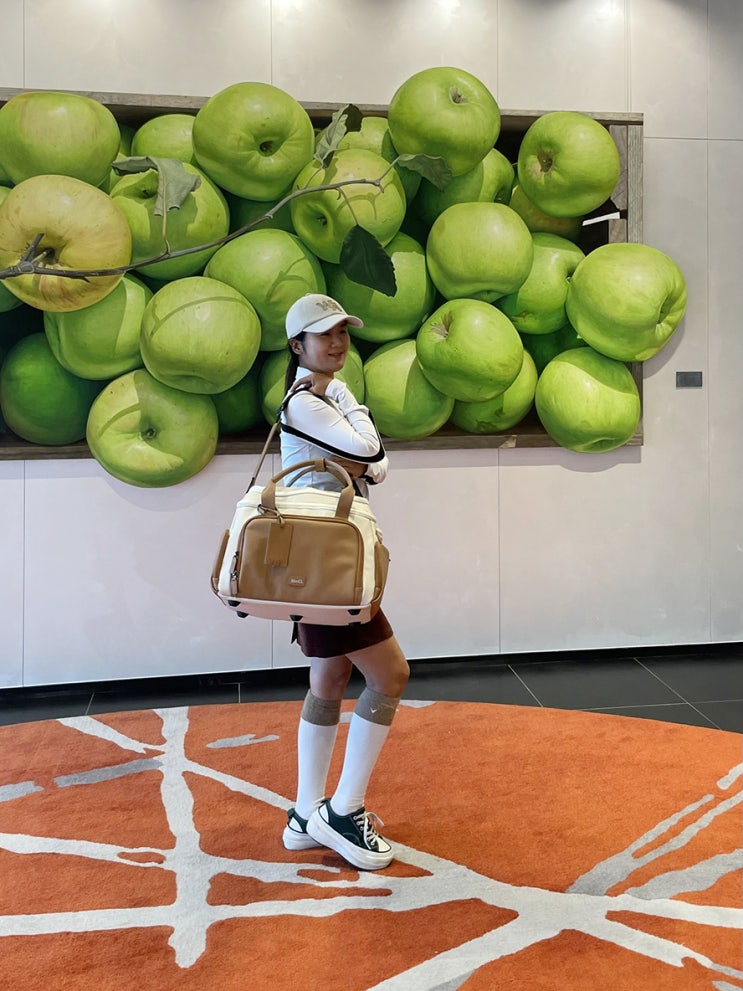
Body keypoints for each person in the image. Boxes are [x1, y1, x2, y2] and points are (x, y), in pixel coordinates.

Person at [279, 293, 409, 871]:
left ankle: (307, 811)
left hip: (319, 559)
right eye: (323, 334)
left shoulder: (327, 396)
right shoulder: (309, 401)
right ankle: (343, 810)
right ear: (297, 346)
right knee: (391, 674)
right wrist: (353, 417)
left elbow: (375, 466)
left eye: (342, 332)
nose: (336, 343)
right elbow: (371, 449)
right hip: (326, 562)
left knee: (330, 676)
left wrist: (359, 445)